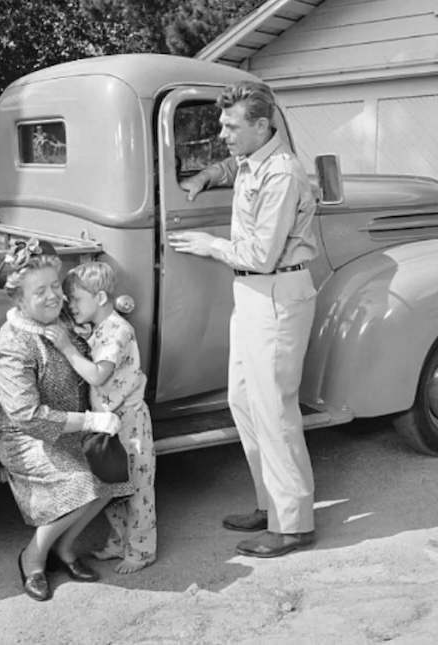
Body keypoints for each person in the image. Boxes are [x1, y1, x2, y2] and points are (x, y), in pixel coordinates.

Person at [168, 81, 319, 558]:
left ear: (260, 125)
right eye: (221, 124)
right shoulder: (256, 159)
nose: (222, 132)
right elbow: (235, 165)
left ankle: (293, 524)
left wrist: (209, 244)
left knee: (274, 409)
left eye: (231, 126)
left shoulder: (282, 174)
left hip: (275, 290)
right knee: (243, 400)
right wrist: (207, 175)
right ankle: (270, 503)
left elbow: (261, 254)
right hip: (254, 296)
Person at [0, 239, 134, 601]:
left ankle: (65, 548)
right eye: (41, 291)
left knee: (114, 475)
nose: (55, 296)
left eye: (56, 286)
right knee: (85, 483)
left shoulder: (64, 320)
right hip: (29, 437)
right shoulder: (15, 342)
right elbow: (26, 416)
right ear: (20, 301)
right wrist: (90, 422)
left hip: (74, 426)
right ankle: (33, 557)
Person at [45, 261, 157, 574]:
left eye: (77, 299)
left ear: (101, 298)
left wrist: (68, 349)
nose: (72, 305)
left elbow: (97, 375)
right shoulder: (100, 328)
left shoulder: (118, 331)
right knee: (113, 485)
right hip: (109, 422)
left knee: (137, 487)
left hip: (129, 421)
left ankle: (142, 551)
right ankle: (119, 542)